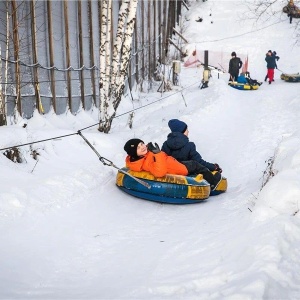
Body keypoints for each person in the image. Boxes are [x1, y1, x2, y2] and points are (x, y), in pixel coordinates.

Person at [124, 138, 221, 190]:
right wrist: (157, 154)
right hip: (178, 168)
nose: (142, 147)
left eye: (141, 144)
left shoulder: (141, 159)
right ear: (134, 153)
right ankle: (213, 182)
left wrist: (154, 151)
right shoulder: (145, 163)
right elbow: (160, 172)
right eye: (138, 148)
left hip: (174, 163)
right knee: (196, 165)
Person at [161, 119, 222, 187]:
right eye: (187, 130)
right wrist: (214, 167)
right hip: (186, 173)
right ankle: (213, 182)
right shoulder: (189, 145)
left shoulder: (165, 145)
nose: (188, 131)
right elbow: (199, 162)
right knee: (197, 167)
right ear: (182, 132)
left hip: (172, 171)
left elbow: (162, 159)